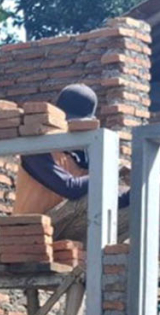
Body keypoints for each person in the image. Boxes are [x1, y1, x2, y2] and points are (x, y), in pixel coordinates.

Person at [14, 83, 133, 220]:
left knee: (134, 204)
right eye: (67, 122)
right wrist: (112, 171)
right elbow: (70, 188)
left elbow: (115, 197)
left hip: (67, 231)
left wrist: (137, 188)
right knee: (94, 196)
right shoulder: (37, 148)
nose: (70, 128)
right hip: (30, 229)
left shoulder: (86, 155)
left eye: (77, 124)